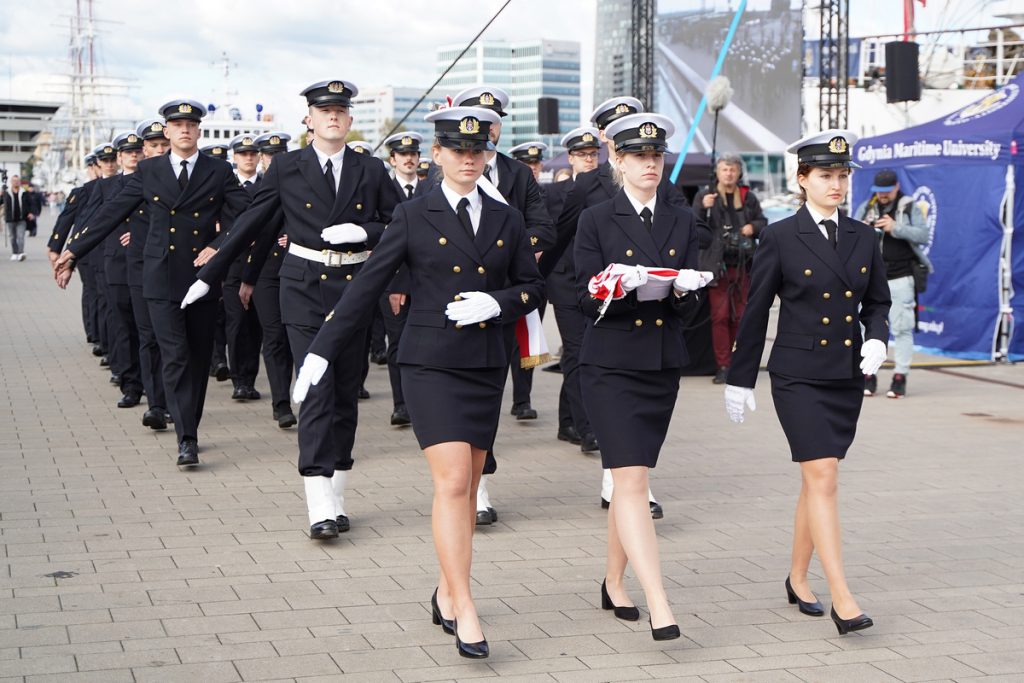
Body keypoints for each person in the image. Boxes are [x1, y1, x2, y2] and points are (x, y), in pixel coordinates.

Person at [292, 105, 544, 658]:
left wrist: (498, 303)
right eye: (458, 150)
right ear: (437, 155)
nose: (469, 159)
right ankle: (465, 604)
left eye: (478, 151)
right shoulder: (413, 213)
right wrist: (321, 351)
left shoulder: (505, 218)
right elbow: (366, 286)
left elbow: (532, 286)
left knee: (469, 485)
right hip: (430, 363)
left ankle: (445, 590)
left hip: (484, 364)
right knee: (453, 482)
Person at [180, 79, 401, 539]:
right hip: (303, 288)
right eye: (324, 111)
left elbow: (400, 223)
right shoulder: (286, 167)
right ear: (309, 120)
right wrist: (210, 274)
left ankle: (337, 496)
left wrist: (365, 232)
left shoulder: (370, 168)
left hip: (353, 290)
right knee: (316, 387)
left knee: (345, 392)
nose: (333, 116)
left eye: (340, 110)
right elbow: (252, 222)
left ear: (350, 119)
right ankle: (319, 505)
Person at [724, 129, 891, 636]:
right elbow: (757, 310)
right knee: (823, 476)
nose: (836, 184)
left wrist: (877, 337)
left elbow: (877, 301)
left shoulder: (863, 236)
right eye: (825, 175)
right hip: (798, 375)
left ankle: (797, 578)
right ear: (802, 179)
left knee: (817, 480)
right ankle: (842, 596)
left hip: (845, 374)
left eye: (842, 175)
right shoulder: (780, 235)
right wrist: (740, 378)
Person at [56, 99, 252, 468]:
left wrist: (218, 245)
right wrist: (74, 250)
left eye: (190, 125)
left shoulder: (218, 170)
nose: (184, 130)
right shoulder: (150, 171)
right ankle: (186, 438)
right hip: (160, 276)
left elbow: (246, 213)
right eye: (177, 125)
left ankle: (189, 424)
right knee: (175, 355)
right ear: (167, 131)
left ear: (199, 131)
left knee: (197, 358)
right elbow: (111, 212)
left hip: (201, 277)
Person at [574, 112, 709, 641]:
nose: (650, 164)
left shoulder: (681, 219)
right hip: (610, 364)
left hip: (660, 363)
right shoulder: (597, 219)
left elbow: (688, 308)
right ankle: (660, 602)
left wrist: (684, 291)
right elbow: (582, 298)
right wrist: (617, 287)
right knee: (630, 480)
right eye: (638, 156)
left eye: (656, 156)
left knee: (633, 478)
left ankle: (613, 582)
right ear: (618, 160)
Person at [542, 95, 689, 519]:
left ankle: (624, 480)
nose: (649, 162)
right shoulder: (588, 186)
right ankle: (599, 453)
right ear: (608, 140)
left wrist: (687, 283)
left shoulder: (664, 189)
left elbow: (687, 238)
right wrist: (538, 285)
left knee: (638, 429)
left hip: (654, 323)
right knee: (583, 362)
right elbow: (560, 236)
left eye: (654, 153)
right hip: (595, 299)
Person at [451, 85, 555, 525]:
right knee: (458, 391)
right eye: (478, 119)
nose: (487, 128)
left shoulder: (517, 174)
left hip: (504, 296)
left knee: (490, 389)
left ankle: (480, 481)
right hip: (456, 298)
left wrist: (512, 249)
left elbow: (543, 228)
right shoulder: (446, 167)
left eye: (493, 121)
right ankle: (466, 486)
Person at [545, 126, 602, 453]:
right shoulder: (556, 193)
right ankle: (586, 428)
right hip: (565, 281)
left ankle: (567, 422)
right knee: (579, 352)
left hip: (597, 284)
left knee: (577, 354)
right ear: (570, 158)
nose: (589, 159)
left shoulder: (609, 191)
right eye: (582, 155)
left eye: (593, 154)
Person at [854, 169, 933, 398]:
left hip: (901, 276)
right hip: (870, 278)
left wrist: (895, 227)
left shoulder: (908, 206)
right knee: (865, 327)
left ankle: (900, 376)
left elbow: (923, 235)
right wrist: (864, 230)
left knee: (902, 328)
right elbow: (851, 234)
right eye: (879, 191)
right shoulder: (867, 206)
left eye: (887, 191)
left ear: (896, 187)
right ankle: (868, 374)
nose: (883, 195)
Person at [238, 131, 296, 429]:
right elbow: (251, 232)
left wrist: (295, 236)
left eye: (280, 155)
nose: (275, 160)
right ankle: (281, 403)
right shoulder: (256, 189)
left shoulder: (300, 185)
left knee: (295, 335)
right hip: (265, 272)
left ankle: (305, 395)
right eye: (270, 155)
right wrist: (248, 279)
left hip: (298, 270)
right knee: (274, 337)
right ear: (262, 158)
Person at [696, 154, 768, 384]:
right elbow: (694, 226)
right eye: (725, 169)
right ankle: (723, 366)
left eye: (733, 170)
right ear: (717, 172)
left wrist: (752, 227)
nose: (729, 174)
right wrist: (702, 208)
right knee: (720, 317)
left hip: (744, 265)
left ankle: (739, 363)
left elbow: (763, 223)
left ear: (739, 173)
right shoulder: (706, 195)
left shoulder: (748, 197)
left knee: (741, 317)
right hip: (717, 266)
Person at [128, 119, 173, 430]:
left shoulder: (181, 179)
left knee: (173, 341)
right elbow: (110, 213)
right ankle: (156, 405)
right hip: (140, 267)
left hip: (173, 268)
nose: (159, 150)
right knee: (148, 337)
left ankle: (174, 402)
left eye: (163, 145)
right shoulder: (135, 181)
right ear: (144, 149)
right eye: (153, 146)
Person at [380, 130, 426, 426]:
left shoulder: (432, 189)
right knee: (398, 344)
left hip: (427, 282)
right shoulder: (383, 192)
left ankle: (423, 402)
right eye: (402, 154)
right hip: (394, 283)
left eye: (413, 154)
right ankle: (401, 404)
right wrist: (398, 285)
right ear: (393, 159)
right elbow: (385, 245)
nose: (409, 159)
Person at [223, 133, 265, 402]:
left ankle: (250, 379)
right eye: (243, 154)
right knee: (236, 324)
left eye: (252, 154)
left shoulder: (268, 185)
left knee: (256, 326)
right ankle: (238, 379)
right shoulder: (226, 187)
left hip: (261, 264)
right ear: (234, 157)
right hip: (233, 265)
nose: (248, 158)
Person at [2, 175, 40, 261]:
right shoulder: (6, 193)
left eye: (17, 181)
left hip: (22, 218)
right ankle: (14, 253)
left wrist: (31, 213)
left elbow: (31, 204)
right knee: (12, 237)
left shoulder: (24, 192)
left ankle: (21, 253)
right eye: (14, 181)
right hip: (10, 219)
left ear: (19, 182)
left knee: (20, 236)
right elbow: (2, 202)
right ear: (11, 182)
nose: (16, 182)